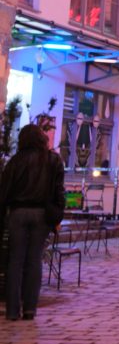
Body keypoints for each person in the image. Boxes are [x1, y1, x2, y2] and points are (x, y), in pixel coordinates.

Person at [0, 123, 65, 320]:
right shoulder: (52, 160)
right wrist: (57, 215)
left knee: (15, 261)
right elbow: (59, 191)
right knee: (34, 259)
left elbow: (4, 191)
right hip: (41, 214)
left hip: (18, 213)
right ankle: (30, 309)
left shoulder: (15, 161)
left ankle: (12, 311)